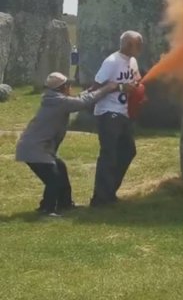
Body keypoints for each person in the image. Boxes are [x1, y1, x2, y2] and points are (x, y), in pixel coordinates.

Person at [15, 73, 119, 216]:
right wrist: (107, 88)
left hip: (36, 147)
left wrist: (92, 89)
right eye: (68, 85)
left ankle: (65, 204)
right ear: (63, 88)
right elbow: (83, 102)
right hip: (36, 149)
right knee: (54, 179)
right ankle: (48, 210)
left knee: (60, 169)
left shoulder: (55, 99)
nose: (71, 87)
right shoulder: (60, 102)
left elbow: (78, 98)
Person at [89, 31, 143, 208]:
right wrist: (120, 87)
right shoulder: (111, 62)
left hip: (124, 113)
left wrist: (137, 89)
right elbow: (95, 88)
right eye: (138, 45)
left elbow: (136, 81)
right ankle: (99, 199)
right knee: (109, 154)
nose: (141, 48)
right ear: (128, 45)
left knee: (128, 151)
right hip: (108, 113)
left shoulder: (132, 61)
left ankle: (109, 191)